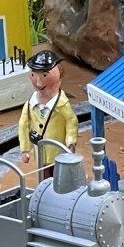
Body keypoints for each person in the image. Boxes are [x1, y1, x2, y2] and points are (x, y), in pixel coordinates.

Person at [18, 48, 84, 182]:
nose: (38, 83)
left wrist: (70, 142)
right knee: (43, 178)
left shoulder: (62, 105)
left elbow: (71, 122)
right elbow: (23, 125)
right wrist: (25, 149)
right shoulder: (30, 104)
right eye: (34, 75)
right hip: (40, 153)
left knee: (61, 178)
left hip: (58, 152)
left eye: (44, 76)